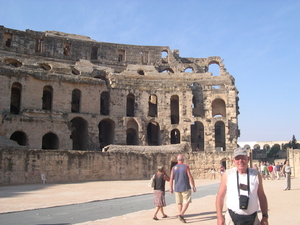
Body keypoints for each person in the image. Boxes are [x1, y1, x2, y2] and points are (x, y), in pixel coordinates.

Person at [216, 147, 269, 225]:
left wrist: (265, 217)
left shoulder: (255, 174)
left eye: (243, 158)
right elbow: (220, 196)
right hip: (232, 218)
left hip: (252, 218)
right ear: (233, 160)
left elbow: (262, 196)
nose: (240, 161)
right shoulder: (228, 174)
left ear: (248, 159)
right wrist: (219, 217)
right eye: (237, 158)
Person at [170, 154, 197, 223]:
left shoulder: (174, 168)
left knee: (179, 203)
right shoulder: (185, 167)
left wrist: (171, 188)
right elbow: (190, 177)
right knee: (186, 201)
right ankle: (181, 214)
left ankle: (180, 215)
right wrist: (193, 186)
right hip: (185, 187)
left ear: (177, 160)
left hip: (177, 187)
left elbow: (171, 179)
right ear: (183, 160)